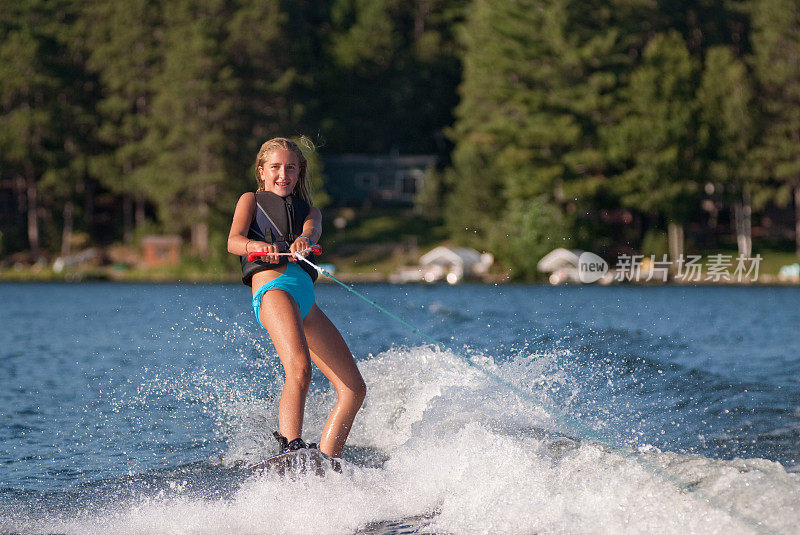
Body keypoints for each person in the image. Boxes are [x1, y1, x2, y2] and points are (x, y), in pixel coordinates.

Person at [227, 137, 366, 458]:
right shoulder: (250, 200)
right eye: (275, 167)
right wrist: (256, 246)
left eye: (290, 167)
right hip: (273, 290)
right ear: (261, 171)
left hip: (307, 302)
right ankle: (290, 448)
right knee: (300, 368)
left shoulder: (311, 212)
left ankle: (329, 462)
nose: (282, 174)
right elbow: (233, 241)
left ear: (300, 172)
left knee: (353, 390)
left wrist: (304, 239)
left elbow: (312, 230)